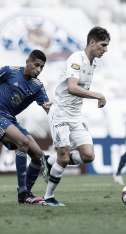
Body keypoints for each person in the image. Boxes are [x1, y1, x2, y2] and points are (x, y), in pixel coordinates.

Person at [40, 26, 110, 206]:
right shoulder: (76, 59)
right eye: (103, 45)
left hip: (75, 116)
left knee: (88, 155)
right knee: (64, 158)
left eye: (107, 46)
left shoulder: (93, 63)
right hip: (61, 116)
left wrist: (56, 98)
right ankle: (48, 198)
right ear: (92, 42)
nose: (105, 50)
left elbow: (66, 87)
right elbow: (72, 87)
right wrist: (99, 95)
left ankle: (51, 161)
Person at [0, 49, 52, 204]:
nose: (38, 70)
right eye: (36, 65)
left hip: (11, 120)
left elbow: (47, 108)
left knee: (39, 157)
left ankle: (25, 194)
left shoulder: (37, 86)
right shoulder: (9, 71)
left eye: (42, 67)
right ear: (28, 62)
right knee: (22, 142)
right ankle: (23, 192)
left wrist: (54, 111)